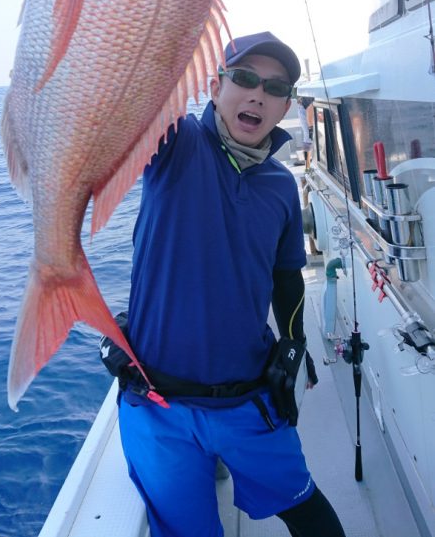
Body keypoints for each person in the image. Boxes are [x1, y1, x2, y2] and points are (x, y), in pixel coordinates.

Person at [102, 31, 346, 537]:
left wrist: (295, 343)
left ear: (284, 109)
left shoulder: (281, 186)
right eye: (245, 78)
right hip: (158, 405)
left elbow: (286, 279)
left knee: (313, 517)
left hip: (248, 399)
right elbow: (138, 85)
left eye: (275, 88)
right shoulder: (176, 144)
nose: (258, 93)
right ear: (214, 86)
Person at [297, 96, 314, 170]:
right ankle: (307, 165)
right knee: (308, 137)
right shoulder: (310, 103)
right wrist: (311, 128)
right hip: (305, 109)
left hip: (309, 108)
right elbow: (309, 110)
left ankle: (309, 163)